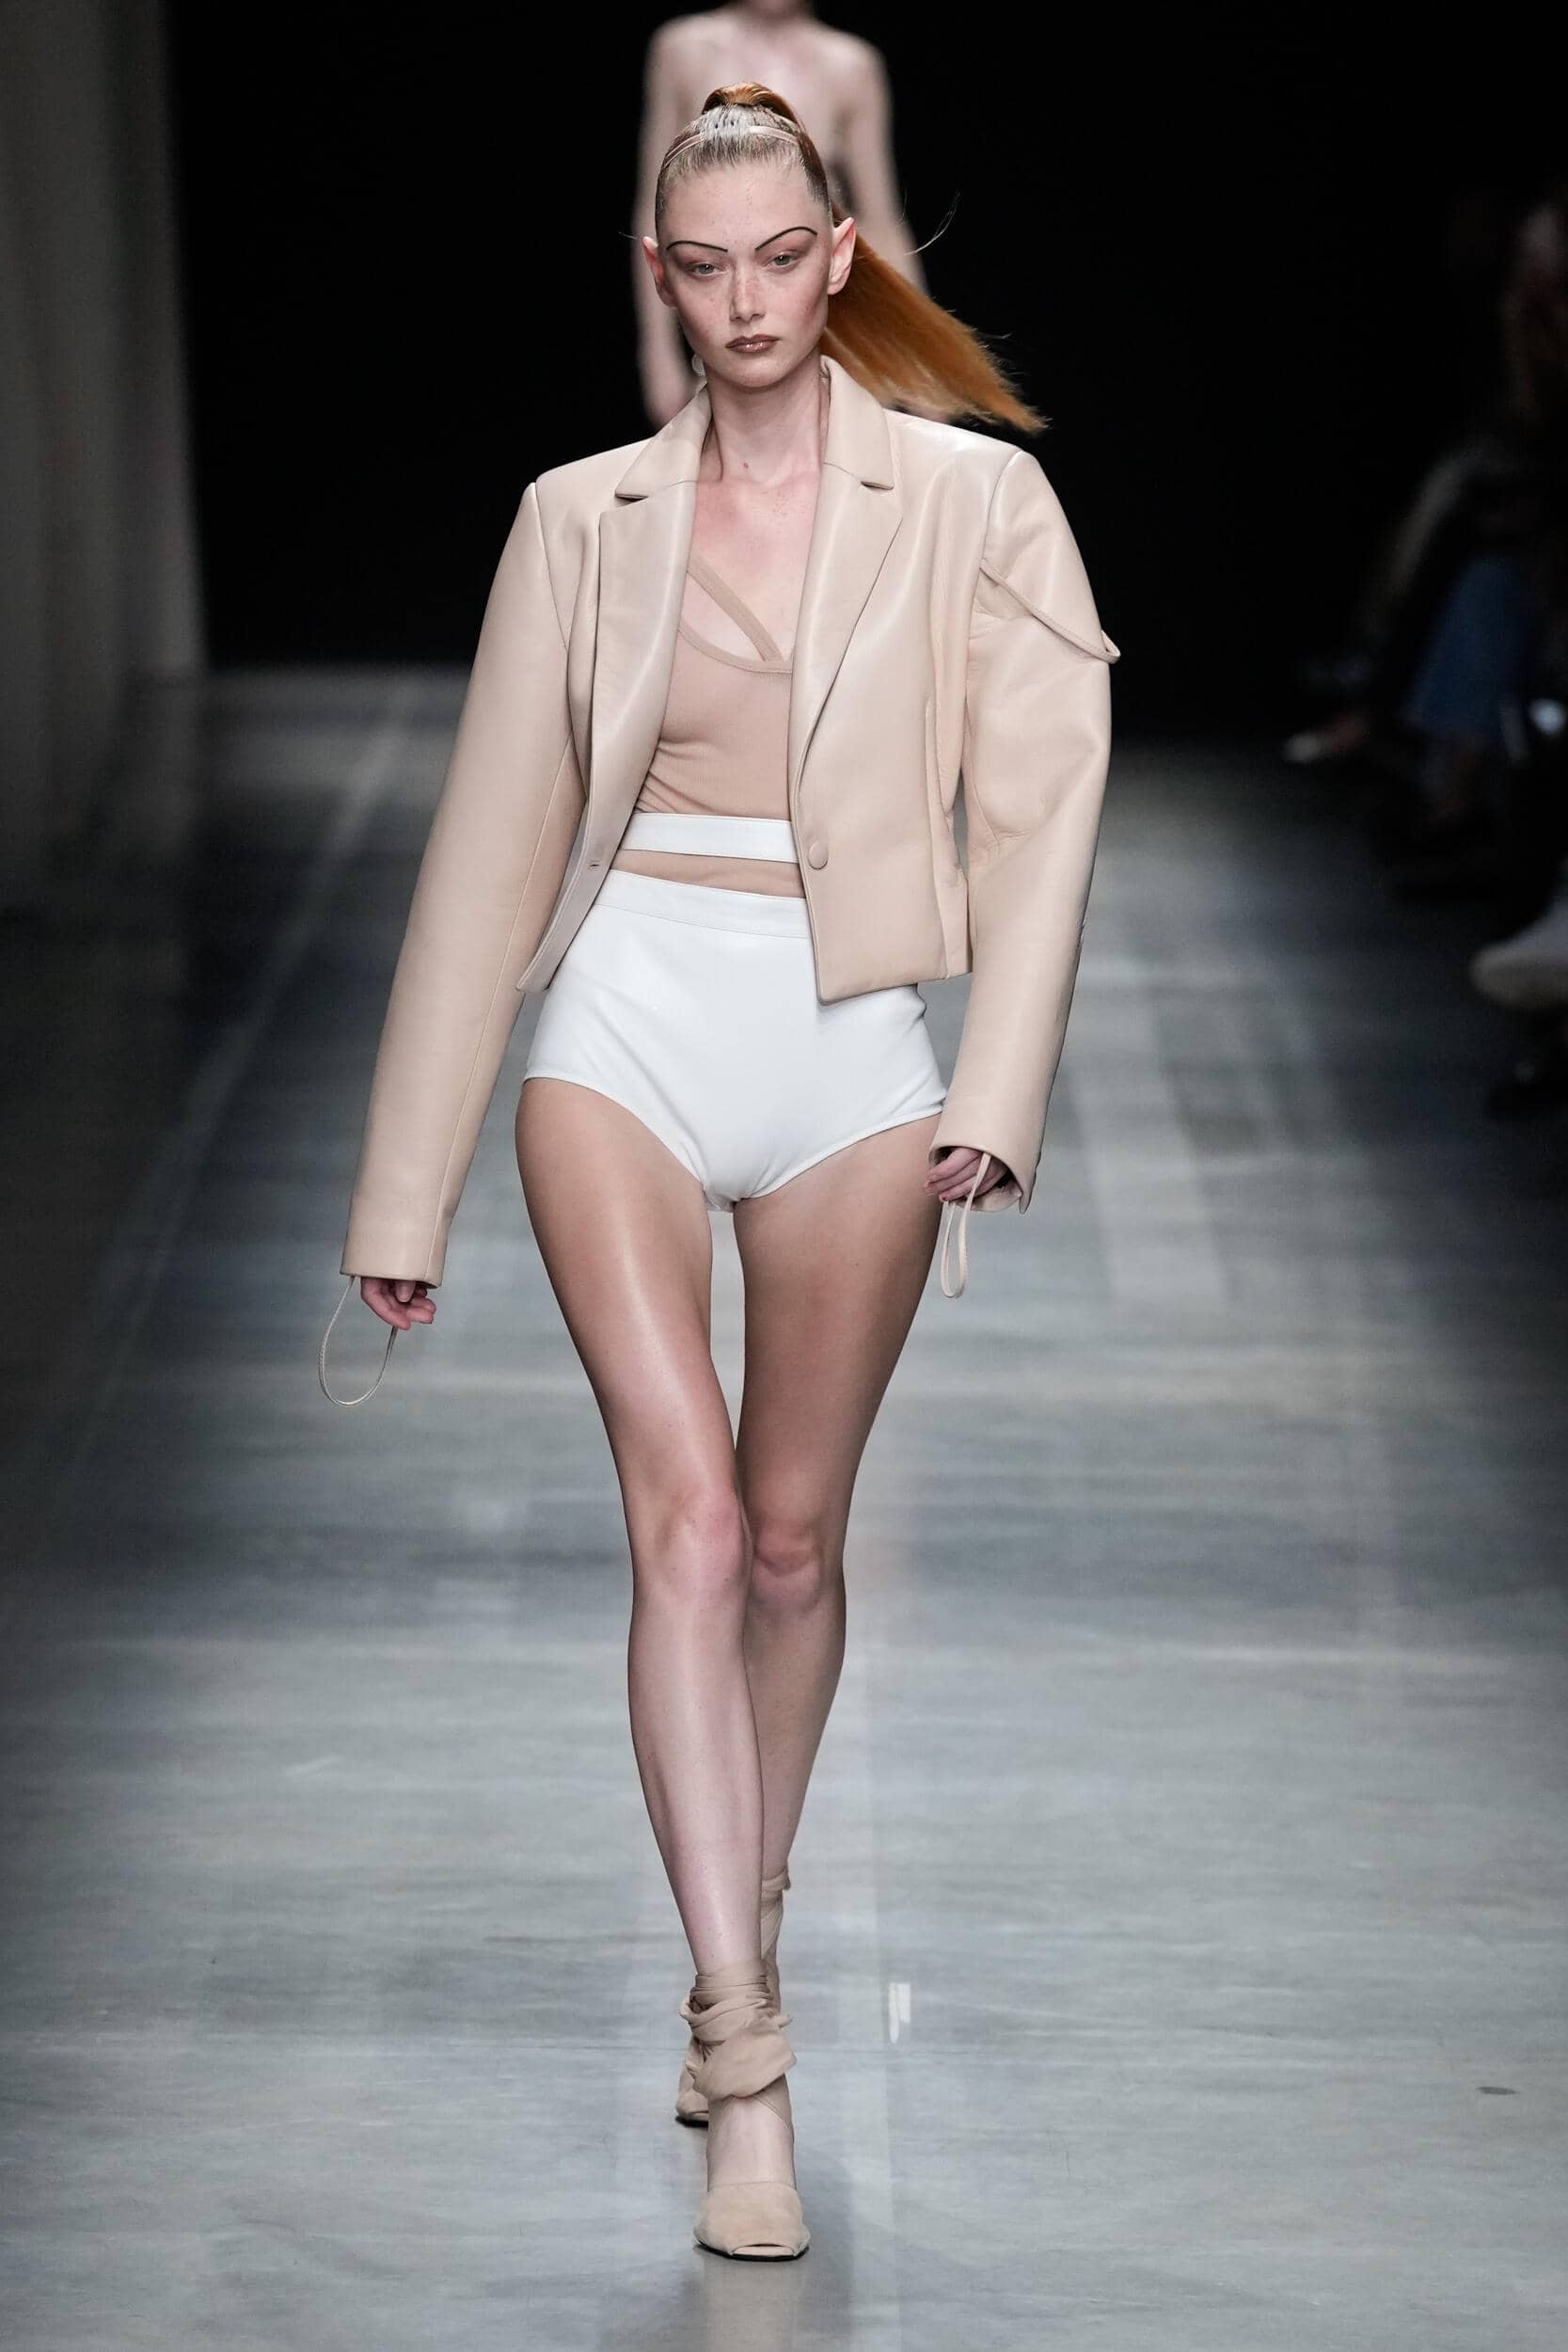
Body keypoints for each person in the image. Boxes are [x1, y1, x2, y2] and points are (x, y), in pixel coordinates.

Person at [327, 85, 1118, 2261]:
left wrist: (999, 1083)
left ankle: (738, 1898)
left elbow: (1046, 796)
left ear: (837, 255)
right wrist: (402, 1196)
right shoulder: (576, 518)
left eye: (785, 257)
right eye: (709, 265)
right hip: (626, 1012)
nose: (751, 301)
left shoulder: (970, 501)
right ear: (659, 278)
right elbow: (490, 850)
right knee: (677, 1519)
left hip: (851, 1035)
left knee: (785, 1540)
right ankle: (740, 2042)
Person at [634, 3, 927, 425]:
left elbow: (882, 224)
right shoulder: (684, 50)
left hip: (830, 314)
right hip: (723, 316)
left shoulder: (851, 66)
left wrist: (920, 359)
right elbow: (655, 210)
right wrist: (657, 356)